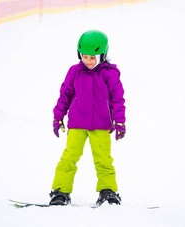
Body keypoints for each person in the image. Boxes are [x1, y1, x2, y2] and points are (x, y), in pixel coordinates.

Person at [49, 30, 126, 206]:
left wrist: (119, 120)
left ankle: (108, 191)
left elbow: (117, 99)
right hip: (77, 124)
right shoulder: (75, 72)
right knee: (69, 158)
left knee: (103, 160)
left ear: (103, 55)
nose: (88, 61)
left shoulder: (110, 74)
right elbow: (65, 95)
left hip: (101, 125)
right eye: (85, 57)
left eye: (93, 58)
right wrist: (58, 116)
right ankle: (60, 191)